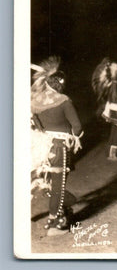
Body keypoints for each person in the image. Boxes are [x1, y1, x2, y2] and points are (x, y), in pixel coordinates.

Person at [30, 56, 83, 236]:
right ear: (60, 82)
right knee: (58, 185)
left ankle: (59, 213)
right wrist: (74, 138)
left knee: (49, 183)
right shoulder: (64, 100)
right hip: (60, 147)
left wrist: (41, 132)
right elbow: (77, 126)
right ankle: (54, 224)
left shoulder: (36, 100)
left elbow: (33, 121)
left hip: (43, 148)